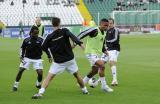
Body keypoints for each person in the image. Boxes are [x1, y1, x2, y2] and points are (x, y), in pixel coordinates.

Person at [32, 17, 88, 99]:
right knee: (76, 74)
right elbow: (73, 37)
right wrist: (80, 44)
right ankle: (85, 90)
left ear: (52, 24)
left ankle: (40, 93)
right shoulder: (64, 30)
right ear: (59, 23)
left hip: (58, 62)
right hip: (70, 60)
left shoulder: (49, 36)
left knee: (49, 77)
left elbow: (43, 47)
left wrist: (51, 52)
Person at [77, 18, 113, 92]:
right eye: (105, 25)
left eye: (108, 25)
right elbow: (82, 34)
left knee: (94, 71)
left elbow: (101, 44)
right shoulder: (95, 30)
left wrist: (105, 51)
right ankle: (104, 86)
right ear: (100, 24)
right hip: (90, 52)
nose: (107, 27)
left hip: (96, 53)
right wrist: (77, 41)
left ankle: (82, 83)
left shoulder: (104, 33)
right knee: (102, 65)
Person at [12, 26, 52, 91]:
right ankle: (15, 85)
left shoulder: (41, 39)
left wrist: (49, 56)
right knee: (21, 70)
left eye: (37, 33)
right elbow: (22, 48)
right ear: (31, 33)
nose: (36, 35)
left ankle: (38, 84)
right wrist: (21, 56)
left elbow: (46, 48)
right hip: (27, 58)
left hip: (38, 59)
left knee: (40, 72)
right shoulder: (26, 40)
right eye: (35, 33)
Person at [102, 18, 120, 86]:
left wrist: (107, 42)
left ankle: (115, 80)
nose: (109, 25)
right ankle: (101, 79)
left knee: (111, 62)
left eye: (111, 23)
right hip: (107, 49)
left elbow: (115, 39)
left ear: (113, 23)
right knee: (101, 63)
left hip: (114, 49)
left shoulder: (115, 30)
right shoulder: (106, 30)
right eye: (108, 23)